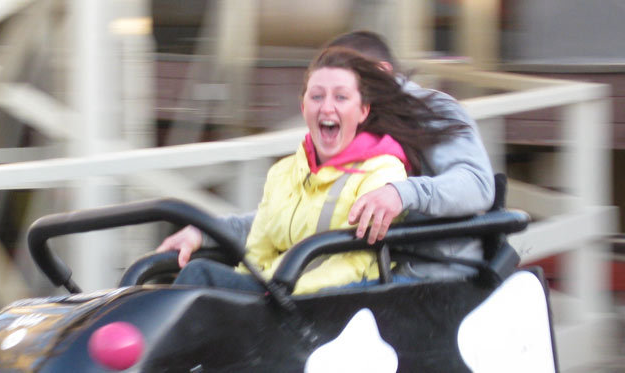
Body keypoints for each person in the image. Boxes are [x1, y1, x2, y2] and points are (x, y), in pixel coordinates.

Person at [158, 31, 494, 281]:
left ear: (382, 73)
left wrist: (401, 194)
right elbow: (302, 214)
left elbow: (477, 185)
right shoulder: (347, 130)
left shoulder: (431, 111)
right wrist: (208, 231)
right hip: (363, 270)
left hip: (428, 276)